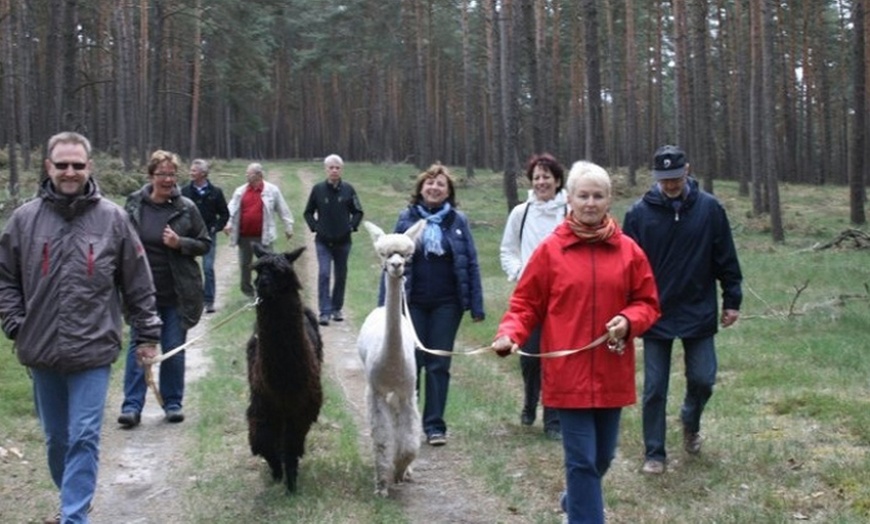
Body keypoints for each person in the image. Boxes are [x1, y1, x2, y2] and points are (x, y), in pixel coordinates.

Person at [0, 132, 162, 523]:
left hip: (93, 350)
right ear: (48, 167)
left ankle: (74, 517)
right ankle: (74, 496)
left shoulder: (113, 219)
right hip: (40, 349)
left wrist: (147, 334)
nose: (69, 172)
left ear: (89, 166)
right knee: (57, 440)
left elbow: (137, 281)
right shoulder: (23, 220)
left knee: (85, 435)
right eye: (62, 165)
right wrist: (15, 323)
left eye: (77, 164)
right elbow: (5, 278)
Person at [492, 160, 660, 524]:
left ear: (609, 200)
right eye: (583, 195)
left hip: (612, 371)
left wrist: (629, 321)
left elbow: (648, 303)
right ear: (569, 199)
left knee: (602, 458)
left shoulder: (629, 251)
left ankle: (576, 500)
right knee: (581, 461)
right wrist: (510, 333)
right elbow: (526, 303)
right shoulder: (551, 251)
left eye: (598, 196)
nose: (590, 203)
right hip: (567, 374)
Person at [622, 145, 743, 475]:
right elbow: (624, 266)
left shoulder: (710, 209)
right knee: (654, 387)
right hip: (654, 313)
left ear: (687, 170)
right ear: (655, 177)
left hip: (698, 309)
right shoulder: (638, 214)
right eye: (664, 179)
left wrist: (732, 299)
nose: (671, 184)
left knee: (703, 378)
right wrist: (625, 310)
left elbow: (726, 257)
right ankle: (655, 453)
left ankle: (690, 419)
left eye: (675, 177)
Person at [385, 163, 485, 446]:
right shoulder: (406, 219)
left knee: (439, 363)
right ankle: (409, 422)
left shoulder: (458, 221)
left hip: (447, 304)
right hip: (412, 301)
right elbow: (389, 263)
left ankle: (435, 426)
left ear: (448, 191)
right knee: (411, 363)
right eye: (429, 183)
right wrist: (385, 307)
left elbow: (471, 262)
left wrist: (476, 305)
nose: (434, 187)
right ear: (420, 188)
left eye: (441, 184)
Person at [118, 150, 211, 428]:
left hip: (177, 293)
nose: (168, 179)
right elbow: (120, 243)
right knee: (139, 348)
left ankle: (172, 404)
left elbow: (205, 242)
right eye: (162, 174)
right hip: (142, 296)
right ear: (151, 176)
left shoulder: (186, 207)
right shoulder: (134, 204)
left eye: (172, 174)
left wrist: (180, 243)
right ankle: (131, 407)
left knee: (173, 348)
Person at [499, 153, 567, 440]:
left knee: (555, 358)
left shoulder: (569, 212)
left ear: (557, 180)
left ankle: (553, 420)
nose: (541, 182)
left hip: (563, 298)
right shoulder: (521, 213)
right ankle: (530, 401)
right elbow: (507, 249)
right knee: (529, 356)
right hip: (530, 297)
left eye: (546, 177)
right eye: (537, 177)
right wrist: (519, 273)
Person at [303, 154, 365, 326]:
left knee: (341, 275)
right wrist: (315, 226)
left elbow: (358, 211)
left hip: (343, 241)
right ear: (326, 169)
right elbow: (308, 212)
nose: (334, 170)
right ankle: (324, 311)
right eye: (331, 167)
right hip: (323, 241)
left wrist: (352, 226)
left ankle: (336, 308)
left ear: (341, 169)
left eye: (337, 167)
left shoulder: (348, 189)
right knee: (324, 274)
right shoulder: (318, 189)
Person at [224, 162, 294, 297]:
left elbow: (282, 208)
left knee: (268, 265)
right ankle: (248, 292)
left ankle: (268, 292)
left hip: (264, 236)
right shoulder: (240, 191)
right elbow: (231, 208)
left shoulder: (272, 190)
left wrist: (288, 226)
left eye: (248, 173)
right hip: (244, 237)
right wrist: (228, 223)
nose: (246, 175)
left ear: (259, 175)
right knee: (245, 266)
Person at [182, 159, 229, 313]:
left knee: (208, 268)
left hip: (208, 235)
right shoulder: (184, 192)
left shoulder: (216, 192)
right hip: (189, 236)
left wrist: (217, 227)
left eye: (194, 171)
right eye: (191, 170)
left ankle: (209, 301)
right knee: (188, 269)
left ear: (203, 173)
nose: (191, 173)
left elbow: (224, 214)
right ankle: (191, 301)